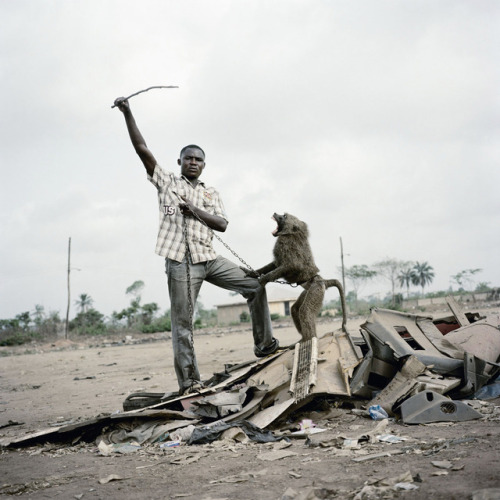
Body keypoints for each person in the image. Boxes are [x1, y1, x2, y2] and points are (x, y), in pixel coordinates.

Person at [114, 97, 279, 395]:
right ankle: (190, 382)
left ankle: (265, 346)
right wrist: (128, 113)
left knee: (255, 285)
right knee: (183, 324)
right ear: (179, 162)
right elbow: (142, 150)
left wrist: (194, 210)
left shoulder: (211, 192)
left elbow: (222, 224)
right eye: (188, 158)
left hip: (208, 258)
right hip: (180, 262)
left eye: (198, 159)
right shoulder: (166, 183)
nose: (193, 162)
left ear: (204, 165)